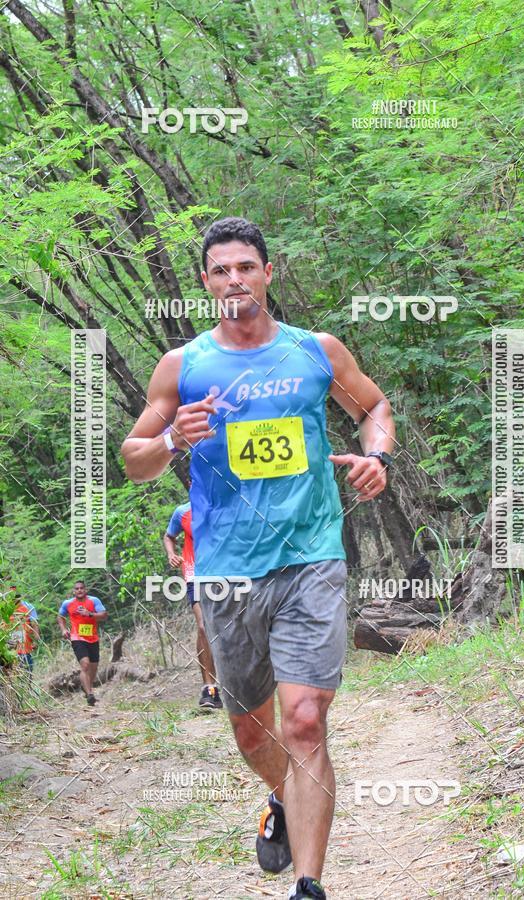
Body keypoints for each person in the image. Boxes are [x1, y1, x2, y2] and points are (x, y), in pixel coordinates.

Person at [121, 217, 395, 900]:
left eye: (246, 266)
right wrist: (172, 441)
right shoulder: (183, 367)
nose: (235, 280)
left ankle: (309, 885)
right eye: (221, 270)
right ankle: (281, 794)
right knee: (252, 730)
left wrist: (377, 457)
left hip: (311, 559)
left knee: (303, 720)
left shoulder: (315, 351)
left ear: (268, 273)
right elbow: (133, 461)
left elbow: (373, 405)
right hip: (228, 570)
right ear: (206, 284)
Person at [163, 499, 222, 709]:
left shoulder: (227, 502)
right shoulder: (183, 511)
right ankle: (209, 689)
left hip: (226, 573)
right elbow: (169, 536)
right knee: (203, 626)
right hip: (194, 573)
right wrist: (171, 554)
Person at [57, 580, 107, 706]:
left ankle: (87, 689)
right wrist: (63, 629)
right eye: (77, 588)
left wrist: (89, 614)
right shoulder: (68, 603)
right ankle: (90, 694)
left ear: (85, 590)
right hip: (77, 637)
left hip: (93, 638)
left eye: (81, 588)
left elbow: (104, 615)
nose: (79, 590)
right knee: (85, 665)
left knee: (93, 668)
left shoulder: (94, 601)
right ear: (74, 591)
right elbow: (60, 616)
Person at [7, 587, 40, 678]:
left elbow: (34, 624)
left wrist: (36, 640)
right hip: (8, 647)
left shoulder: (28, 607)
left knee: (27, 672)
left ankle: (27, 688)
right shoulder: (4, 608)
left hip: (25, 646)